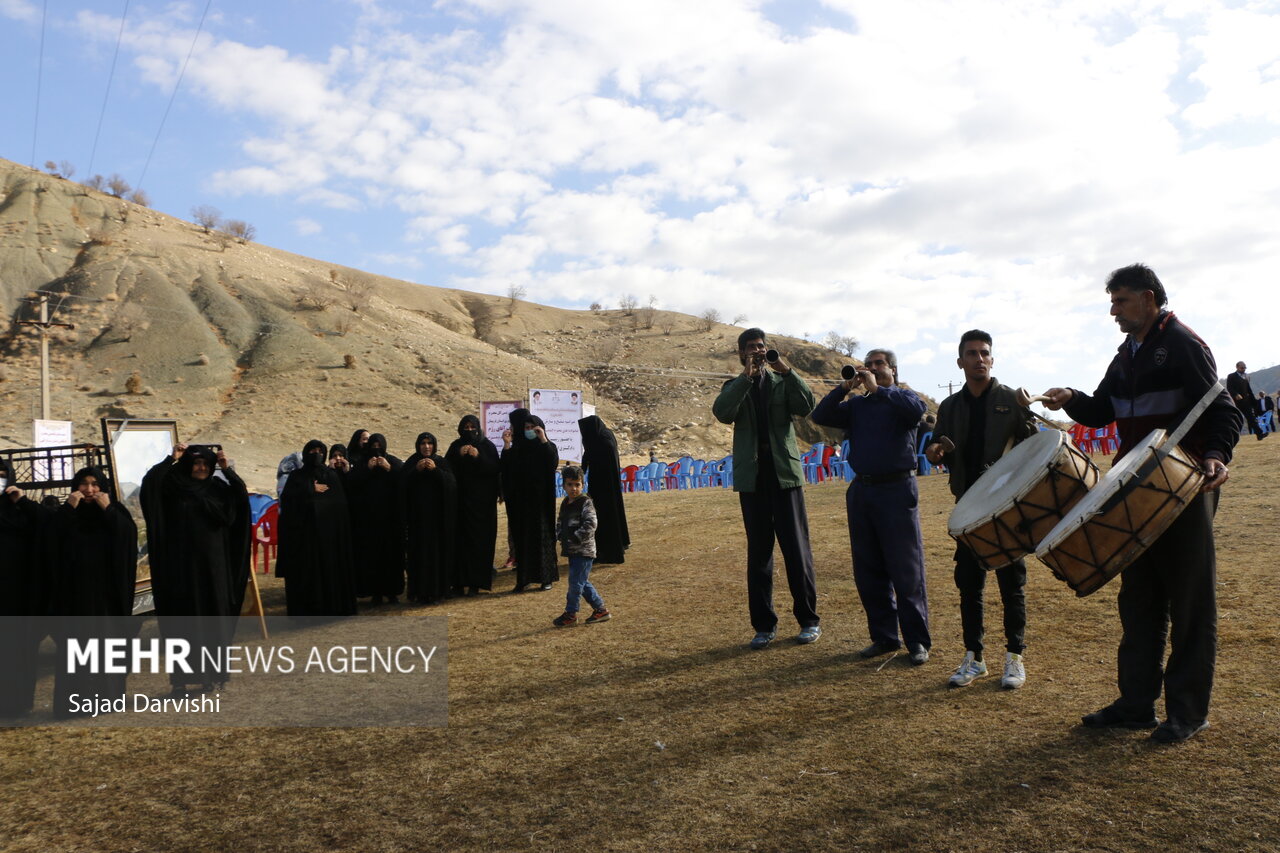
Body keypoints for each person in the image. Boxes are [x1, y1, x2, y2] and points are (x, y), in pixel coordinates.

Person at [1041, 263, 1241, 744]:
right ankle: (1136, 706)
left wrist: (1215, 456)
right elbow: (1103, 409)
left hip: (1183, 487)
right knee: (1140, 601)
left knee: (1191, 602)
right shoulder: (1126, 355)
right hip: (1135, 493)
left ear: (1149, 298)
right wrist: (1070, 397)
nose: (1113, 312)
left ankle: (1188, 713)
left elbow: (1223, 412)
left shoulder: (1184, 344)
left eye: (1121, 301)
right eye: (1112, 303)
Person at [924, 330, 1037, 689]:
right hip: (968, 506)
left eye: (984, 353)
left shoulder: (1011, 400)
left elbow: (1034, 446)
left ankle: (1014, 658)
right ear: (960, 362)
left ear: (992, 358)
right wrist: (936, 453)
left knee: (1011, 583)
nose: (979, 359)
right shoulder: (951, 407)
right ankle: (974, 658)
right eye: (971, 354)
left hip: (1007, 507)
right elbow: (939, 447)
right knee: (969, 584)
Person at [812, 347, 930, 665]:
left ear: (894, 370)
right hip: (862, 491)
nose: (874, 369)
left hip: (897, 489)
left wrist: (880, 390)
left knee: (906, 570)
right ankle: (884, 637)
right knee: (868, 570)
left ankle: (917, 641)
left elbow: (915, 415)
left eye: (880, 364)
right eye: (870, 364)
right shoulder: (857, 407)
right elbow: (820, 416)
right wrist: (844, 388)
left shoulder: (905, 397)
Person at [712, 328, 821, 649]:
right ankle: (763, 625)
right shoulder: (734, 386)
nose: (757, 351)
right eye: (751, 348)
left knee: (797, 552)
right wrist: (747, 376)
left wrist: (784, 368)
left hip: (785, 476)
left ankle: (809, 620)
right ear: (741, 354)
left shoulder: (782, 382)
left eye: (761, 347)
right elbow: (722, 412)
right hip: (753, 480)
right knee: (759, 555)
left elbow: (806, 405)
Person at [141, 444, 251, 693]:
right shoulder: (173, 487)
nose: (200, 468)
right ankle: (181, 679)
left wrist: (227, 470)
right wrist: (170, 458)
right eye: (196, 463)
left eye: (205, 464)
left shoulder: (219, 488)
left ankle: (213, 675)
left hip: (214, 569)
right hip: (181, 569)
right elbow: (150, 485)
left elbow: (240, 502)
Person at [50, 467, 138, 716]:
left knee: (106, 644)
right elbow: (51, 540)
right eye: (84, 484)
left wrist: (107, 509)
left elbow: (127, 538)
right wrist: (68, 508)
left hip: (105, 595)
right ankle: (75, 703)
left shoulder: (114, 511)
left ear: (103, 487)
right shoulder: (67, 513)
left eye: (95, 484)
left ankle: (107, 699)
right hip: (73, 594)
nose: (89, 490)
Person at [278, 440, 356, 618]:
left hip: (329, 538)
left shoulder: (330, 475)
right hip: (305, 538)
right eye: (312, 450)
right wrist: (308, 488)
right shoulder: (297, 476)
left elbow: (339, 505)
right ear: (306, 453)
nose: (316, 454)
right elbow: (288, 501)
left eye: (320, 451)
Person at [0, 461, 54, 718]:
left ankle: (19, 703)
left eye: (1, 476)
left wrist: (21, 500)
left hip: (20, 595)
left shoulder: (21, 511)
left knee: (20, 652)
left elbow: (47, 524)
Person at [500, 409, 559, 592]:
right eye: (526, 427)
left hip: (540, 502)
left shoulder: (546, 446)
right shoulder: (518, 447)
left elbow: (552, 462)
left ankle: (545, 578)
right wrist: (507, 445)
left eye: (533, 427)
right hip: (521, 502)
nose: (529, 430)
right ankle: (523, 579)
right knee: (522, 540)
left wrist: (543, 439)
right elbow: (507, 468)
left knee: (541, 539)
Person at [345, 433, 405, 604]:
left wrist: (389, 469)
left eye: (379, 446)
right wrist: (367, 470)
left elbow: (403, 482)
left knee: (392, 557)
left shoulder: (393, 462)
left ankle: (392, 592)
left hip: (391, 521)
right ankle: (375, 592)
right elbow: (352, 484)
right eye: (373, 446)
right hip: (369, 522)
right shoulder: (362, 464)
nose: (376, 449)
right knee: (372, 558)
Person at [445, 416, 501, 594]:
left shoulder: (487, 446)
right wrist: (458, 455)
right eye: (466, 427)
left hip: (482, 507)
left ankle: (476, 583)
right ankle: (459, 582)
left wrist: (478, 457)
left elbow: (494, 470)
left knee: (480, 542)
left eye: (472, 427)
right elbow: (446, 470)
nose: (469, 430)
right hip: (459, 504)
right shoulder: (455, 446)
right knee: (459, 542)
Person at [402, 432, 458, 604]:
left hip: (438, 520)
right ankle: (419, 592)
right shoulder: (412, 462)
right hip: (417, 521)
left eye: (429, 443)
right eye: (423, 443)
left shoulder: (441, 462)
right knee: (419, 556)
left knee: (437, 555)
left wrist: (435, 471)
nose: (426, 447)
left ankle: (438, 591)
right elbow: (402, 486)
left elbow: (451, 485)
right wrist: (416, 472)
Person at [551, 465, 611, 627]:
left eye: (577, 485)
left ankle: (570, 613)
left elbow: (591, 524)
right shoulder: (565, 503)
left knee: (575, 583)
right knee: (581, 582)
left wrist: (575, 538)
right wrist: (559, 536)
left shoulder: (586, 503)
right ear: (563, 485)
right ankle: (601, 610)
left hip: (584, 550)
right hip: (571, 550)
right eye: (570, 484)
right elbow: (560, 522)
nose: (574, 488)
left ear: (583, 485)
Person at [578, 415, 630, 564]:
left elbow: (592, 458)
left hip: (604, 488)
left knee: (606, 518)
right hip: (608, 486)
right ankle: (619, 543)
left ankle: (608, 552)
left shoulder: (602, 442)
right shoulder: (604, 437)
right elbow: (587, 455)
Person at [1226, 362, 1265, 441]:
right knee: (1233, 419)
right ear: (1237, 367)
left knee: (1251, 418)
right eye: (1242, 368)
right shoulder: (1231, 376)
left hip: (1246, 402)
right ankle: (1229, 436)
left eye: (1245, 368)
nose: (1244, 369)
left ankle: (1259, 434)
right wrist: (1236, 394)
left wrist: (1254, 401)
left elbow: (1249, 390)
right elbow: (1229, 388)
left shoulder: (1247, 376)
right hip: (1235, 402)